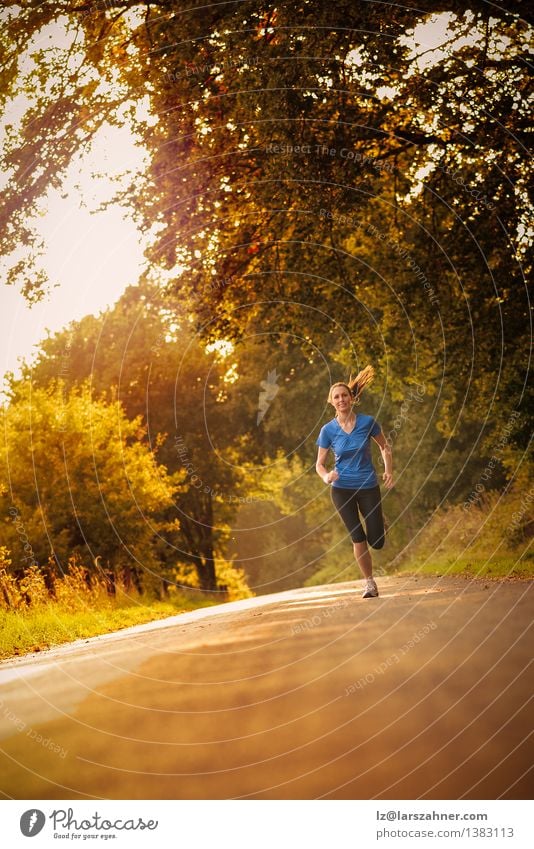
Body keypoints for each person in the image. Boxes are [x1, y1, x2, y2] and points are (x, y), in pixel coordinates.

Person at [315, 365, 393, 598]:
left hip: (368, 486)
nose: (341, 400)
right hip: (341, 490)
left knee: (377, 541)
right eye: (336, 397)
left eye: (344, 395)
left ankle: (378, 521)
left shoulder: (367, 422)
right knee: (357, 536)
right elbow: (319, 464)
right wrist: (326, 476)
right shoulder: (327, 430)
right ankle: (369, 583)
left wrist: (389, 470)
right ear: (331, 402)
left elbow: (384, 446)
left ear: (352, 398)